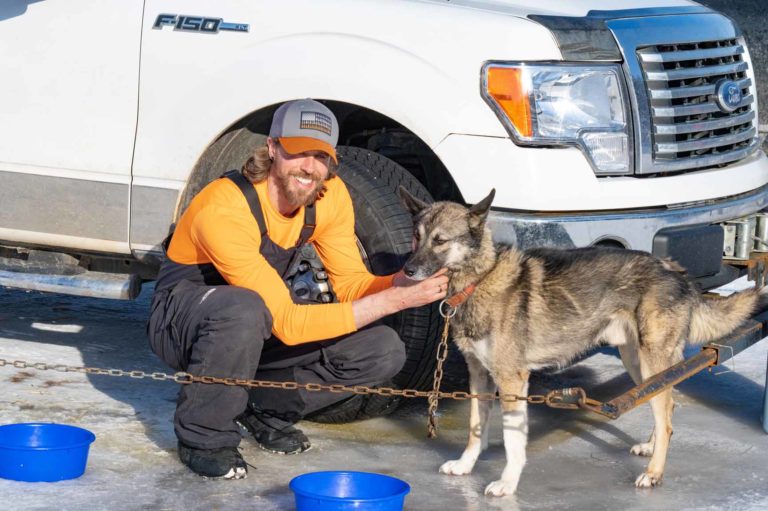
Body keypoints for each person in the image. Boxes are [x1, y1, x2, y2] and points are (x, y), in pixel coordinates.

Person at [147, 98, 448, 479]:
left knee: (381, 350)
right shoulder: (224, 207)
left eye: (320, 156)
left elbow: (353, 284)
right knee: (243, 308)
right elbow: (287, 322)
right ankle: (204, 437)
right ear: (272, 149)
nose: (309, 167)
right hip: (183, 321)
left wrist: (401, 283)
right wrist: (394, 300)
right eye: (297, 152)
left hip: (259, 322)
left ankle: (262, 407)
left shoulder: (331, 196)